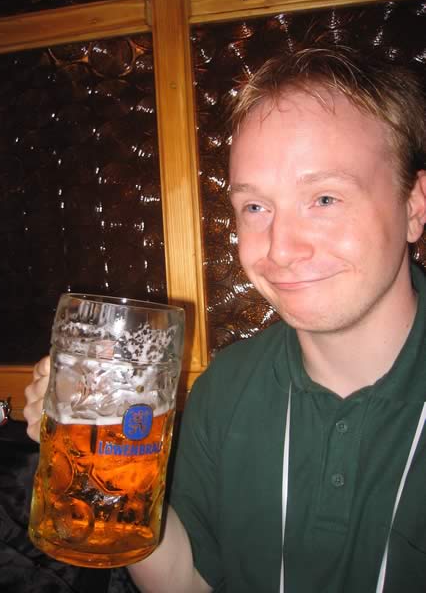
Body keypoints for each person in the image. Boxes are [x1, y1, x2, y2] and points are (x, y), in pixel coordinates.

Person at [24, 46, 426, 593]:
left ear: (414, 206)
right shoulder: (225, 387)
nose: (280, 249)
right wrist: (110, 466)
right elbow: (187, 581)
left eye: (325, 198)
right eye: (255, 207)